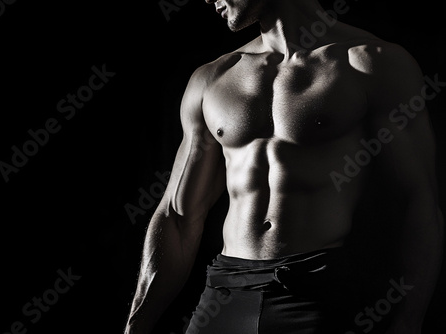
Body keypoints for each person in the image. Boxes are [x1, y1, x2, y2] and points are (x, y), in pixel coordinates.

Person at [124, 0, 444, 333]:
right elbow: (177, 217)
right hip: (223, 295)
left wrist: (408, 321)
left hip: (313, 298)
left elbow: (417, 202)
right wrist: (136, 326)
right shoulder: (214, 78)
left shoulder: (371, 63)